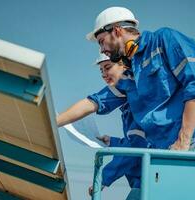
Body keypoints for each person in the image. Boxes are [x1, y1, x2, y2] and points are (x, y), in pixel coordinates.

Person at [86, 7, 195, 152]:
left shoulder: (164, 40)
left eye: (102, 41)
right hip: (165, 145)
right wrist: (60, 121)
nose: (101, 49)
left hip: (189, 140)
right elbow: (95, 101)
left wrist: (184, 140)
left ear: (116, 31)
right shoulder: (132, 69)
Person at [58, 54, 147, 199]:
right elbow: (137, 142)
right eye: (101, 71)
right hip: (144, 180)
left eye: (107, 67)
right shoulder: (128, 105)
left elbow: (135, 148)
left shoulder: (139, 106)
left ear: (124, 66)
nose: (104, 75)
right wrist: (112, 141)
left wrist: (103, 178)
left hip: (149, 181)